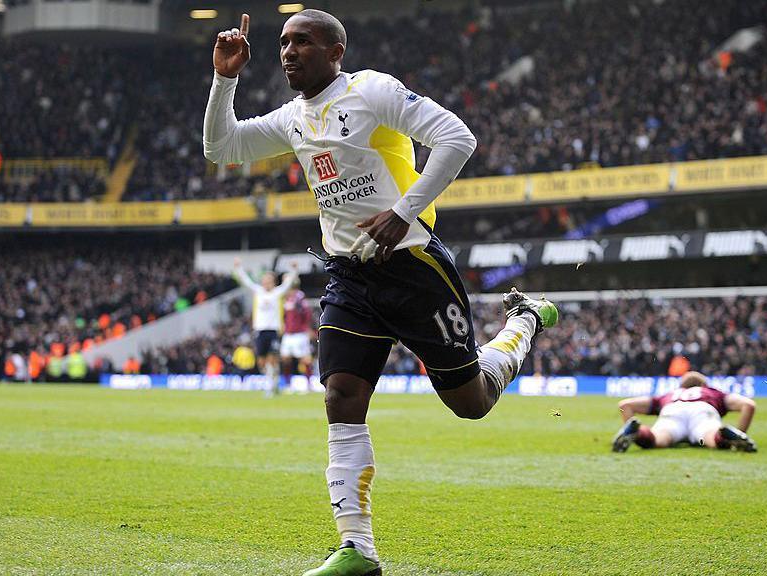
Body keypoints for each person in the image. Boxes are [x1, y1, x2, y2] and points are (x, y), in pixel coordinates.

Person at [204, 10, 559, 575]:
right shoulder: (293, 118)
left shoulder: (372, 91)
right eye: (282, 43)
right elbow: (221, 148)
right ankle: (357, 549)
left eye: (302, 41)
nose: (289, 52)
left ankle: (523, 323)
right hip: (349, 276)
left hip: (414, 267)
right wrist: (225, 80)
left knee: (471, 403)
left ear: (335, 51)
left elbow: (457, 138)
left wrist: (402, 212)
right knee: (342, 397)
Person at [611, 371, 758, 453]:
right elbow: (748, 405)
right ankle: (728, 437)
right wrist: (741, 432)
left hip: (672, 410)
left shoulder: (670, 394)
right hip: (703, 411)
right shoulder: (711, 392)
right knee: (711, 437)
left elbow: (625, 405)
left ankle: (637, 433)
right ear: (703, 385)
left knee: (656, 439)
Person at [233, 258, 299, 395]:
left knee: (272, 359)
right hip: (260, 330)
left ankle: (271, 387)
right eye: (264, 281)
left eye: (269, 281)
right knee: (262, 361)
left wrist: (294, 269)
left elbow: (288, 283)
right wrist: (239, 268)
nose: (266, 283)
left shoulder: (277, 293)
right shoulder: (258, 291)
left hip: (273, 330)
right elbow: (246, 281)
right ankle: (272, 381)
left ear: (273, 283)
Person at [280, 287, 315, 384]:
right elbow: (284, 316)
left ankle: (309, 384)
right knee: (285, 359)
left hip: (300, 334)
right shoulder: (285, 299)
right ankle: (287, 383)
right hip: (288, 334)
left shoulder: (300, 298)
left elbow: (307, 314)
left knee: (305, 359)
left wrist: (307, 327)